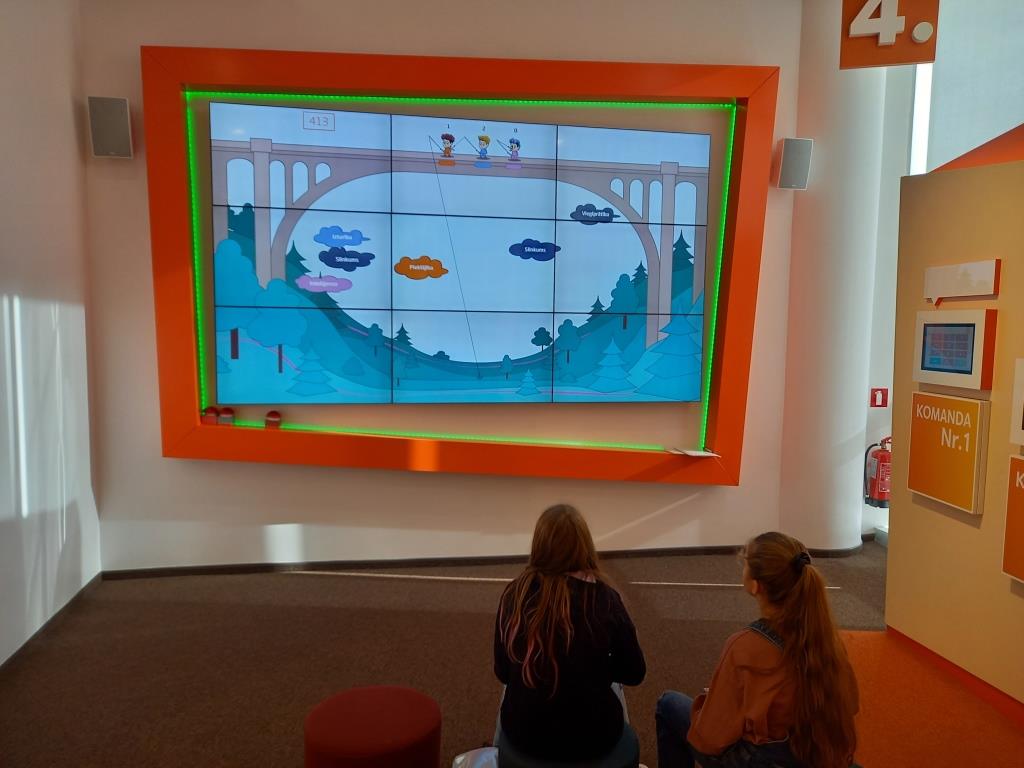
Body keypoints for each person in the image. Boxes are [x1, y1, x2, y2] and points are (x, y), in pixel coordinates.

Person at [656, 532, 860, 768]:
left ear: (755, 586)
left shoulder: (744, 647)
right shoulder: (828, 639)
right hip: (818, 756)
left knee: (668, 704)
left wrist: (711, 703)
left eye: (745, 563)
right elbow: (851, 704)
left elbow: (710, 739)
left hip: (766, 761)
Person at [493, 504, 646, 762]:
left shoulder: (514, 595)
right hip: (595, 738)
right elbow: (634, 673)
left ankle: (497, 753)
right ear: (585, 545)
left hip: (524, 736)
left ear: (539, 545)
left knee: (514, 683)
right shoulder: (606, 599)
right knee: (613, 685)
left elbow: (502, 672)